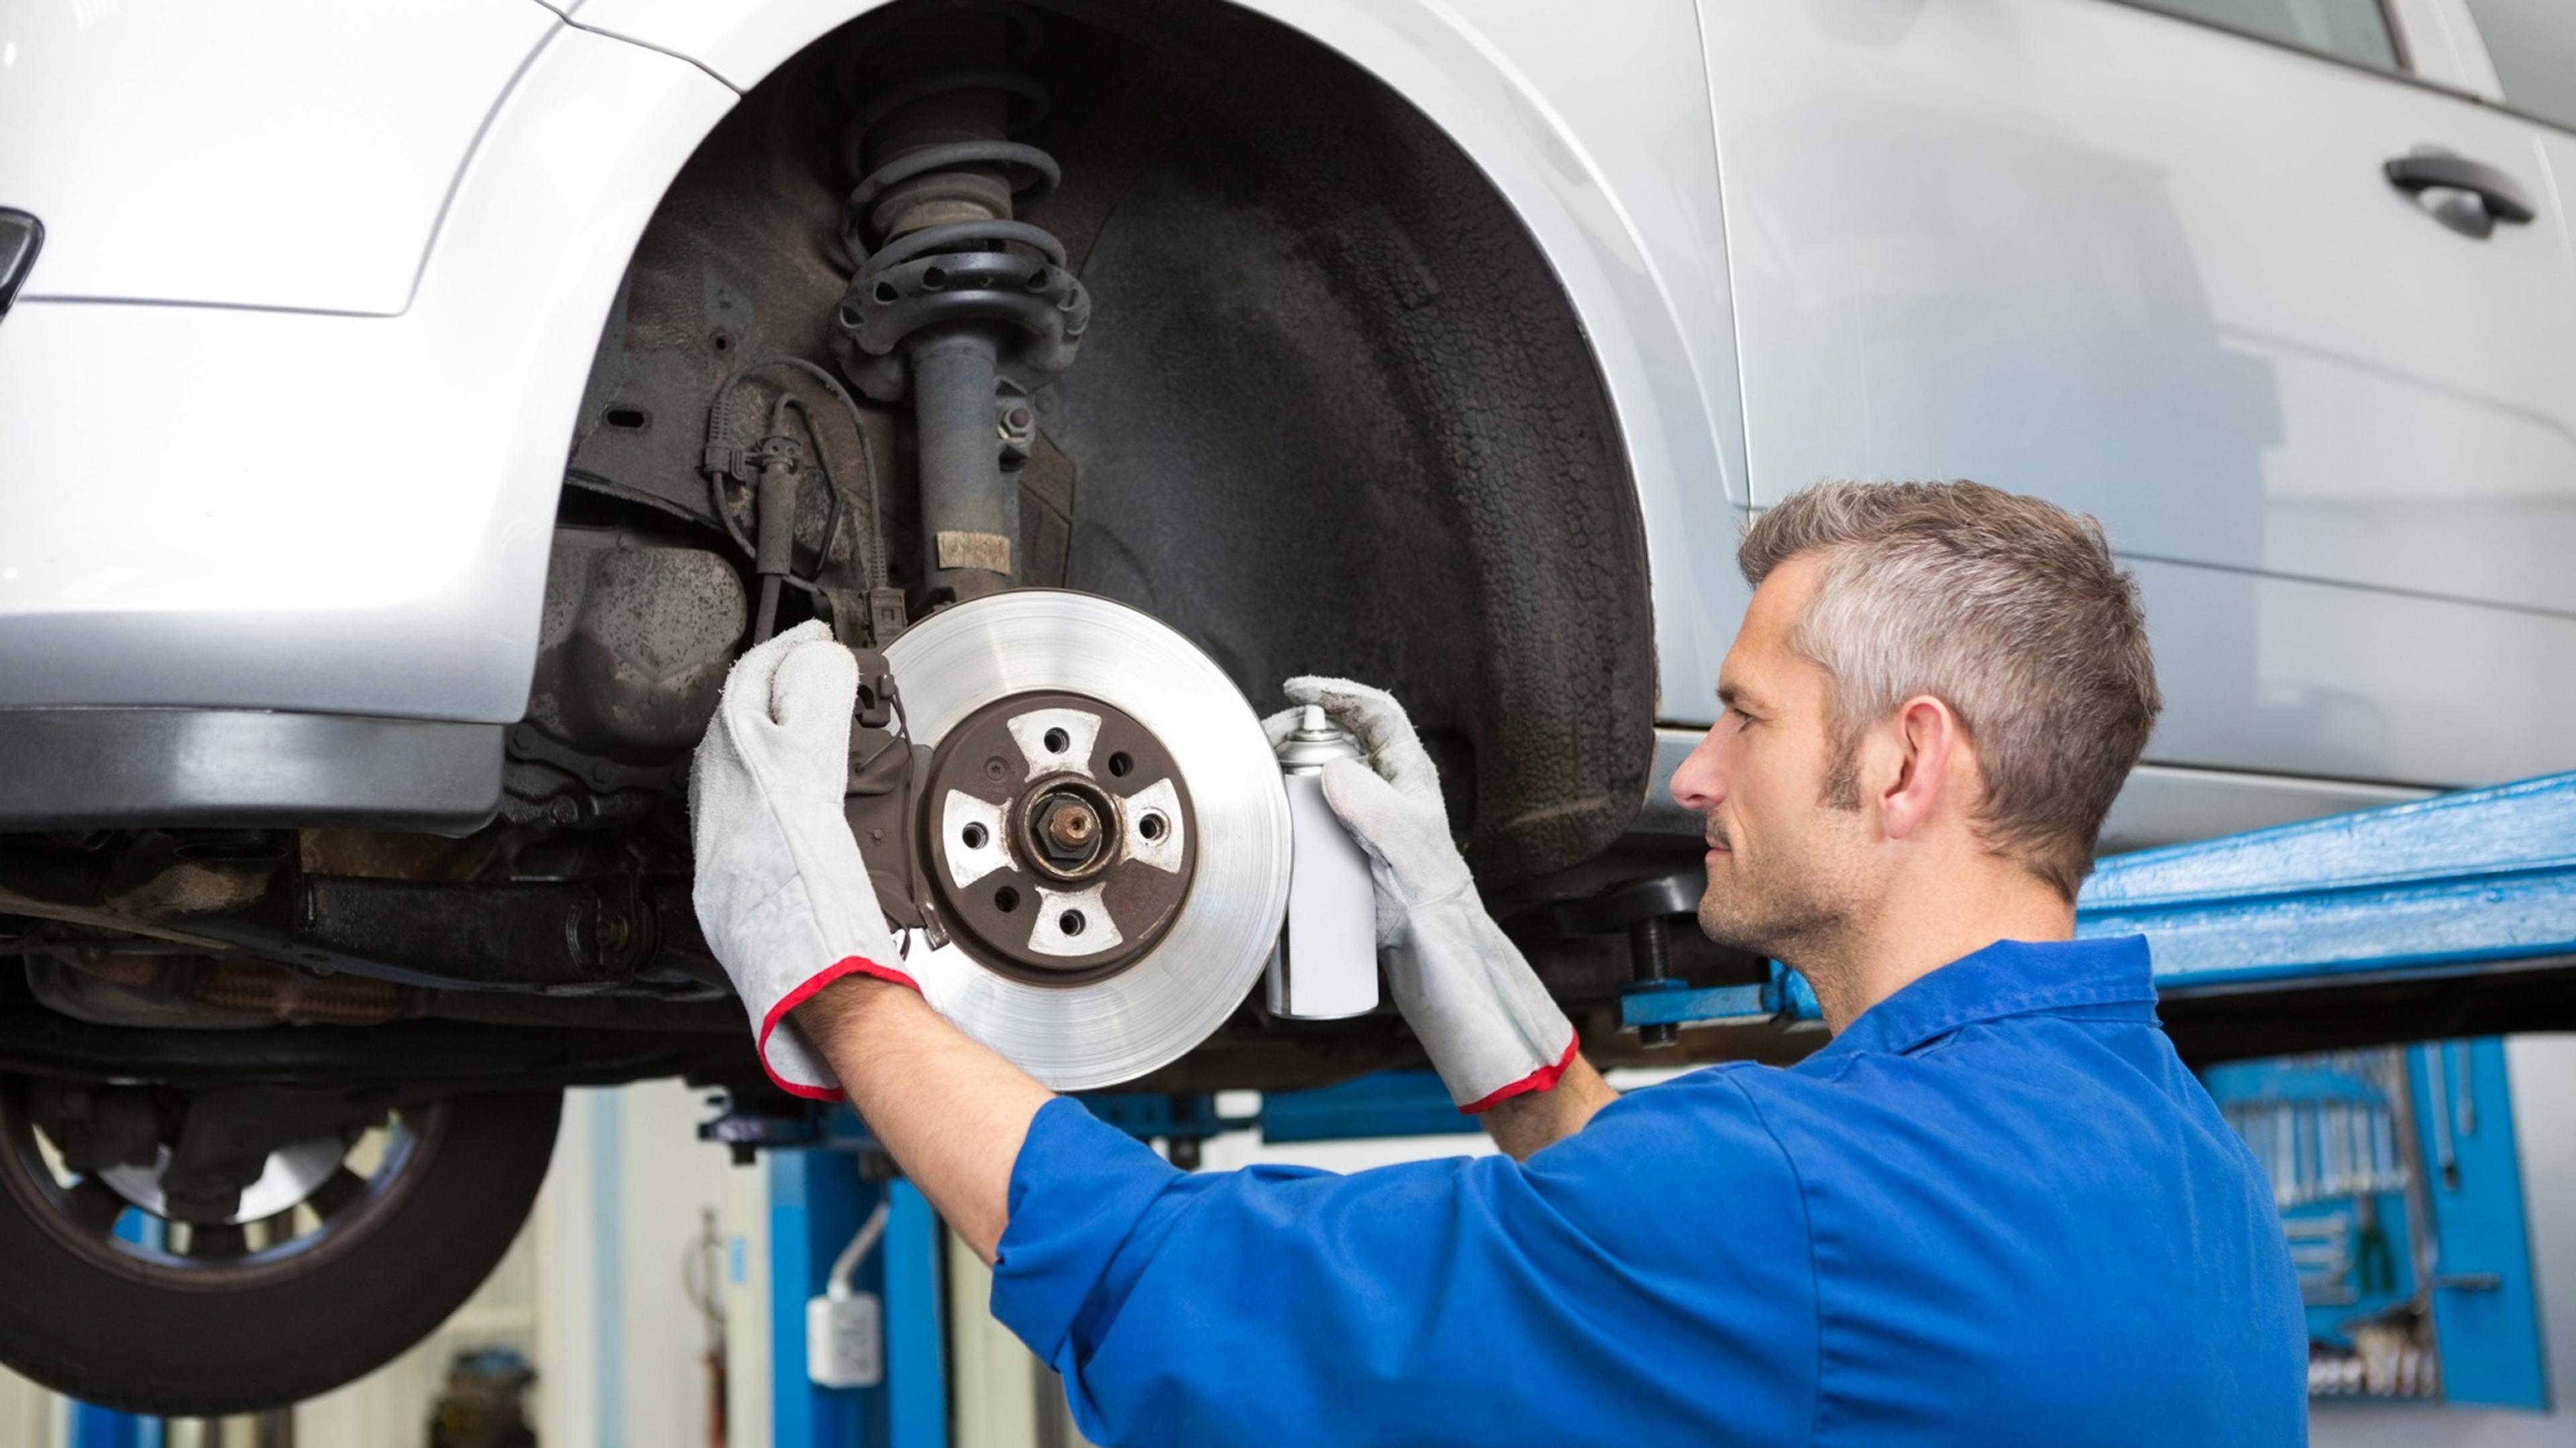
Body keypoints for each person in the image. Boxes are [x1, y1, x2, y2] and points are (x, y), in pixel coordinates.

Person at [688, 479, 2306, 1446]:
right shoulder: (2187, 1171)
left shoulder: (1794, 1203)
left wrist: (829, 972)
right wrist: (1478, 987)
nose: (1694, 776)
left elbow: (1175, 1295)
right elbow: (1738, 1302)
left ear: (1905, 766)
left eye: (1745, 719)